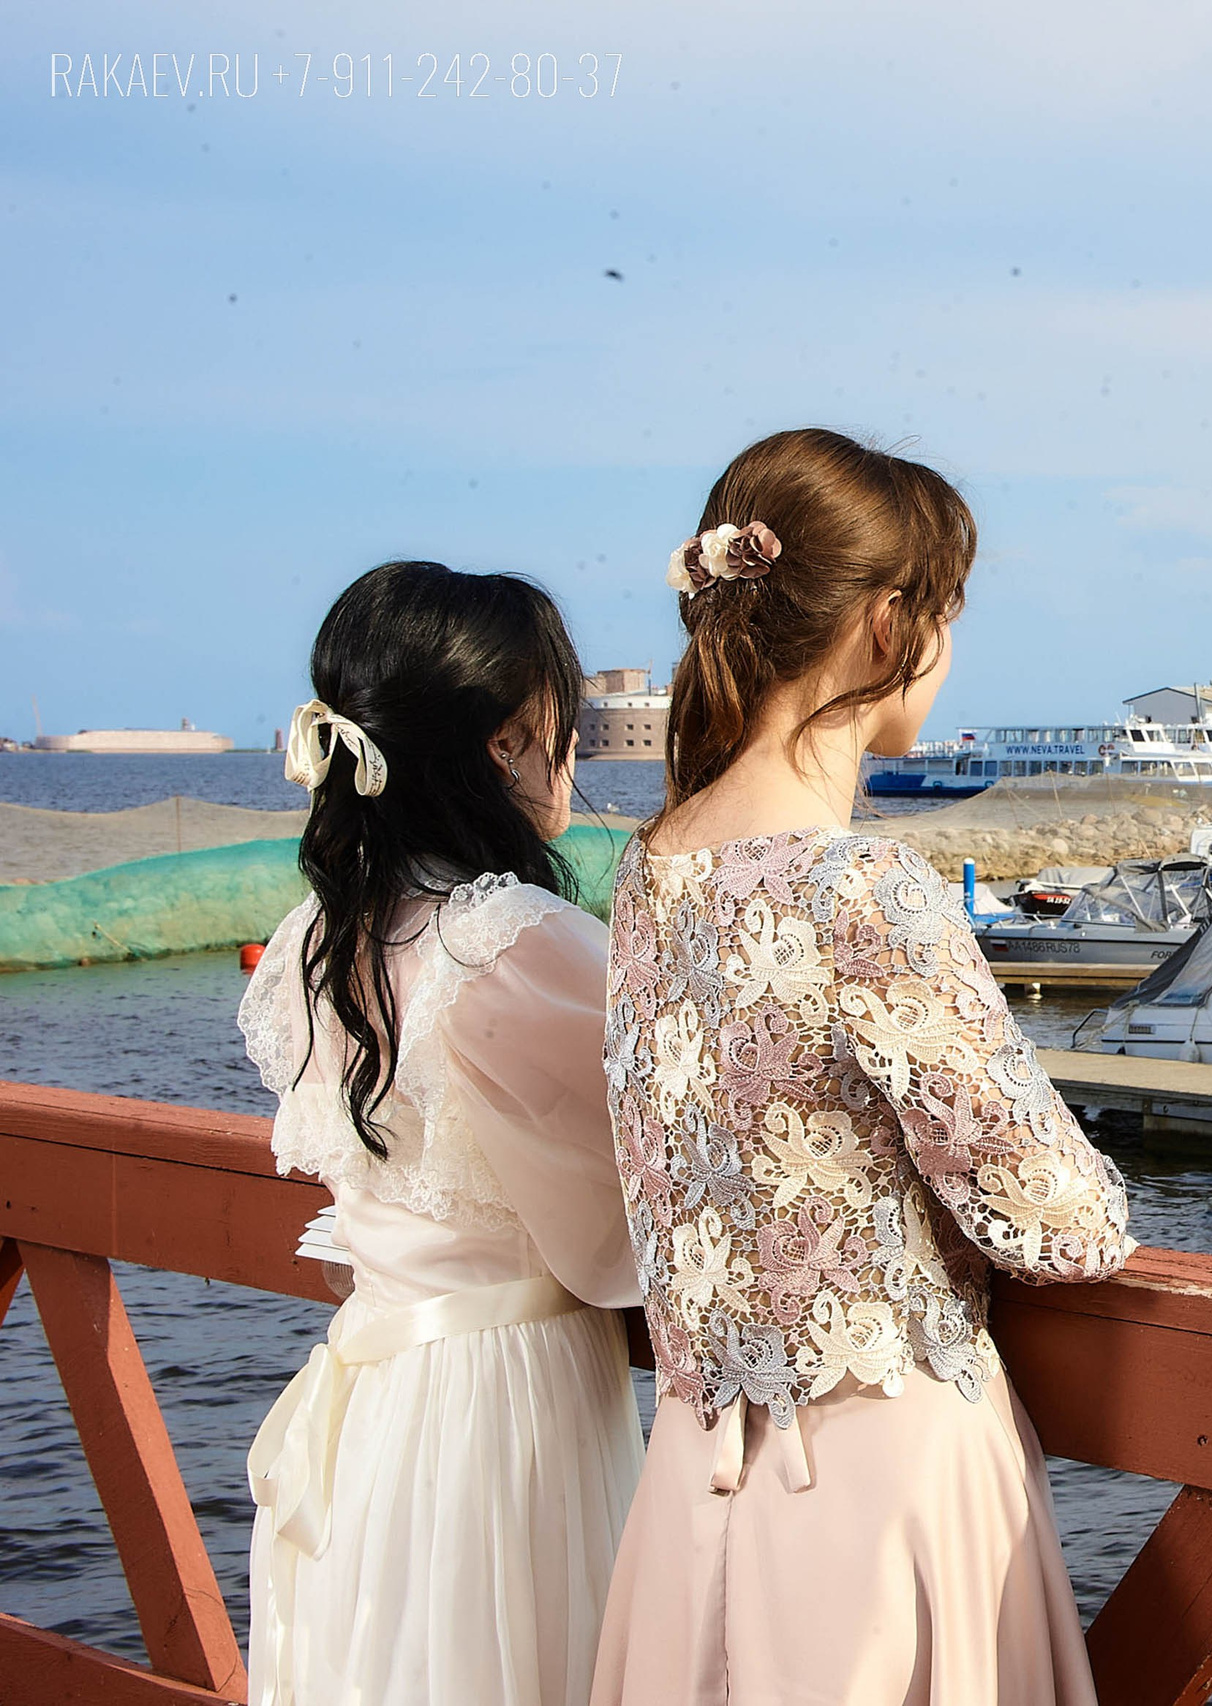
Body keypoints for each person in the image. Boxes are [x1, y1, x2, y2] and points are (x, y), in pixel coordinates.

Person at [591, 428, 1134, 1705]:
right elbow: (1059, 1222)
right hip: (878, 1479)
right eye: (944, 613)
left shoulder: (649, 872)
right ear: (888, 628)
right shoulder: (863, 888)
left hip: (696, 1475)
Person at [238, 563, 642, 1706]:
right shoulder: (517, 941)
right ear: (514, 736)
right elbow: (627, 1222)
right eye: (569, 721)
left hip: (375, 1391)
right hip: (502, 1405)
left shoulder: (318, 935)